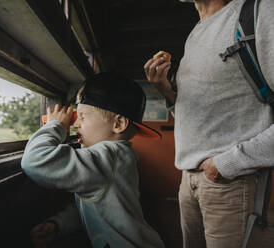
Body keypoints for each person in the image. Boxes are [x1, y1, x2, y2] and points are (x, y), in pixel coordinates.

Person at [144, 0, 274, 247]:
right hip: (189, 179)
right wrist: (168, 92)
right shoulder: (195, 32)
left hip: (232, 181)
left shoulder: (260, 11)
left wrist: (227, 163)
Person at [21, 72, 165, 248]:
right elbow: (91, 205)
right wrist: (58, 225)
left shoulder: (106, 156)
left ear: (118, 124)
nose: (75, 124)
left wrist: (56, 126)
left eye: (82, 117)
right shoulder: (116, 157)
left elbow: (35, 160)